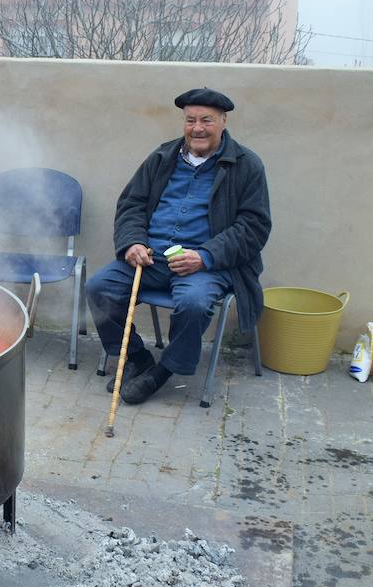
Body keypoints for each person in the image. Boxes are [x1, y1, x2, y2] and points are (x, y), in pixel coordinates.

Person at [85, 87, 272, 405]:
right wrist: (133, 243)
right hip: (151, 257)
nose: (197, 128)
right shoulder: (162, 157)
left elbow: (253, 228)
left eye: (207, 120)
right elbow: (132, 204)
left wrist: (205, 255)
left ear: (223, 121)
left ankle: (163, 372)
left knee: (195, 303)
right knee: (98, 287)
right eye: (190, 120)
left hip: (209, 264)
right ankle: (137, 358)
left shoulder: (246, 166)